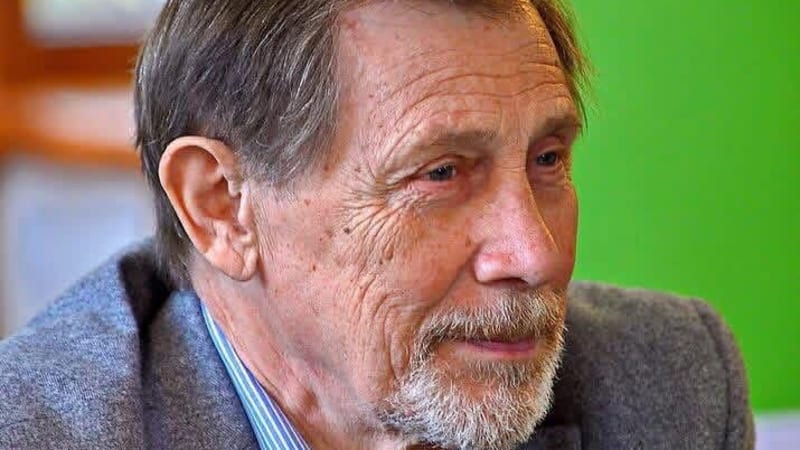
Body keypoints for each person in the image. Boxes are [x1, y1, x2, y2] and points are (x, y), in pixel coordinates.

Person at [0, 1, 754, 449]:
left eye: (548, 159)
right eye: (440, 174)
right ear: (222, 207)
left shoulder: (667, 384)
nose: (536, 254)